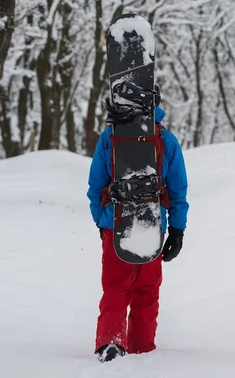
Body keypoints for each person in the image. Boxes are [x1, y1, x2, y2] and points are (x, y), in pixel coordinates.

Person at [86, 103, 189, 363]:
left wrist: (102, 221)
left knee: (115, 288)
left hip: (115, 225)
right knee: (146, 290)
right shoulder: (165, 139)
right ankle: (142, 349)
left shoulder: (109, 137)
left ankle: (111, 341)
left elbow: (96, 185)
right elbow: (178, 191)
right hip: (152, 227)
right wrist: (177, 230)